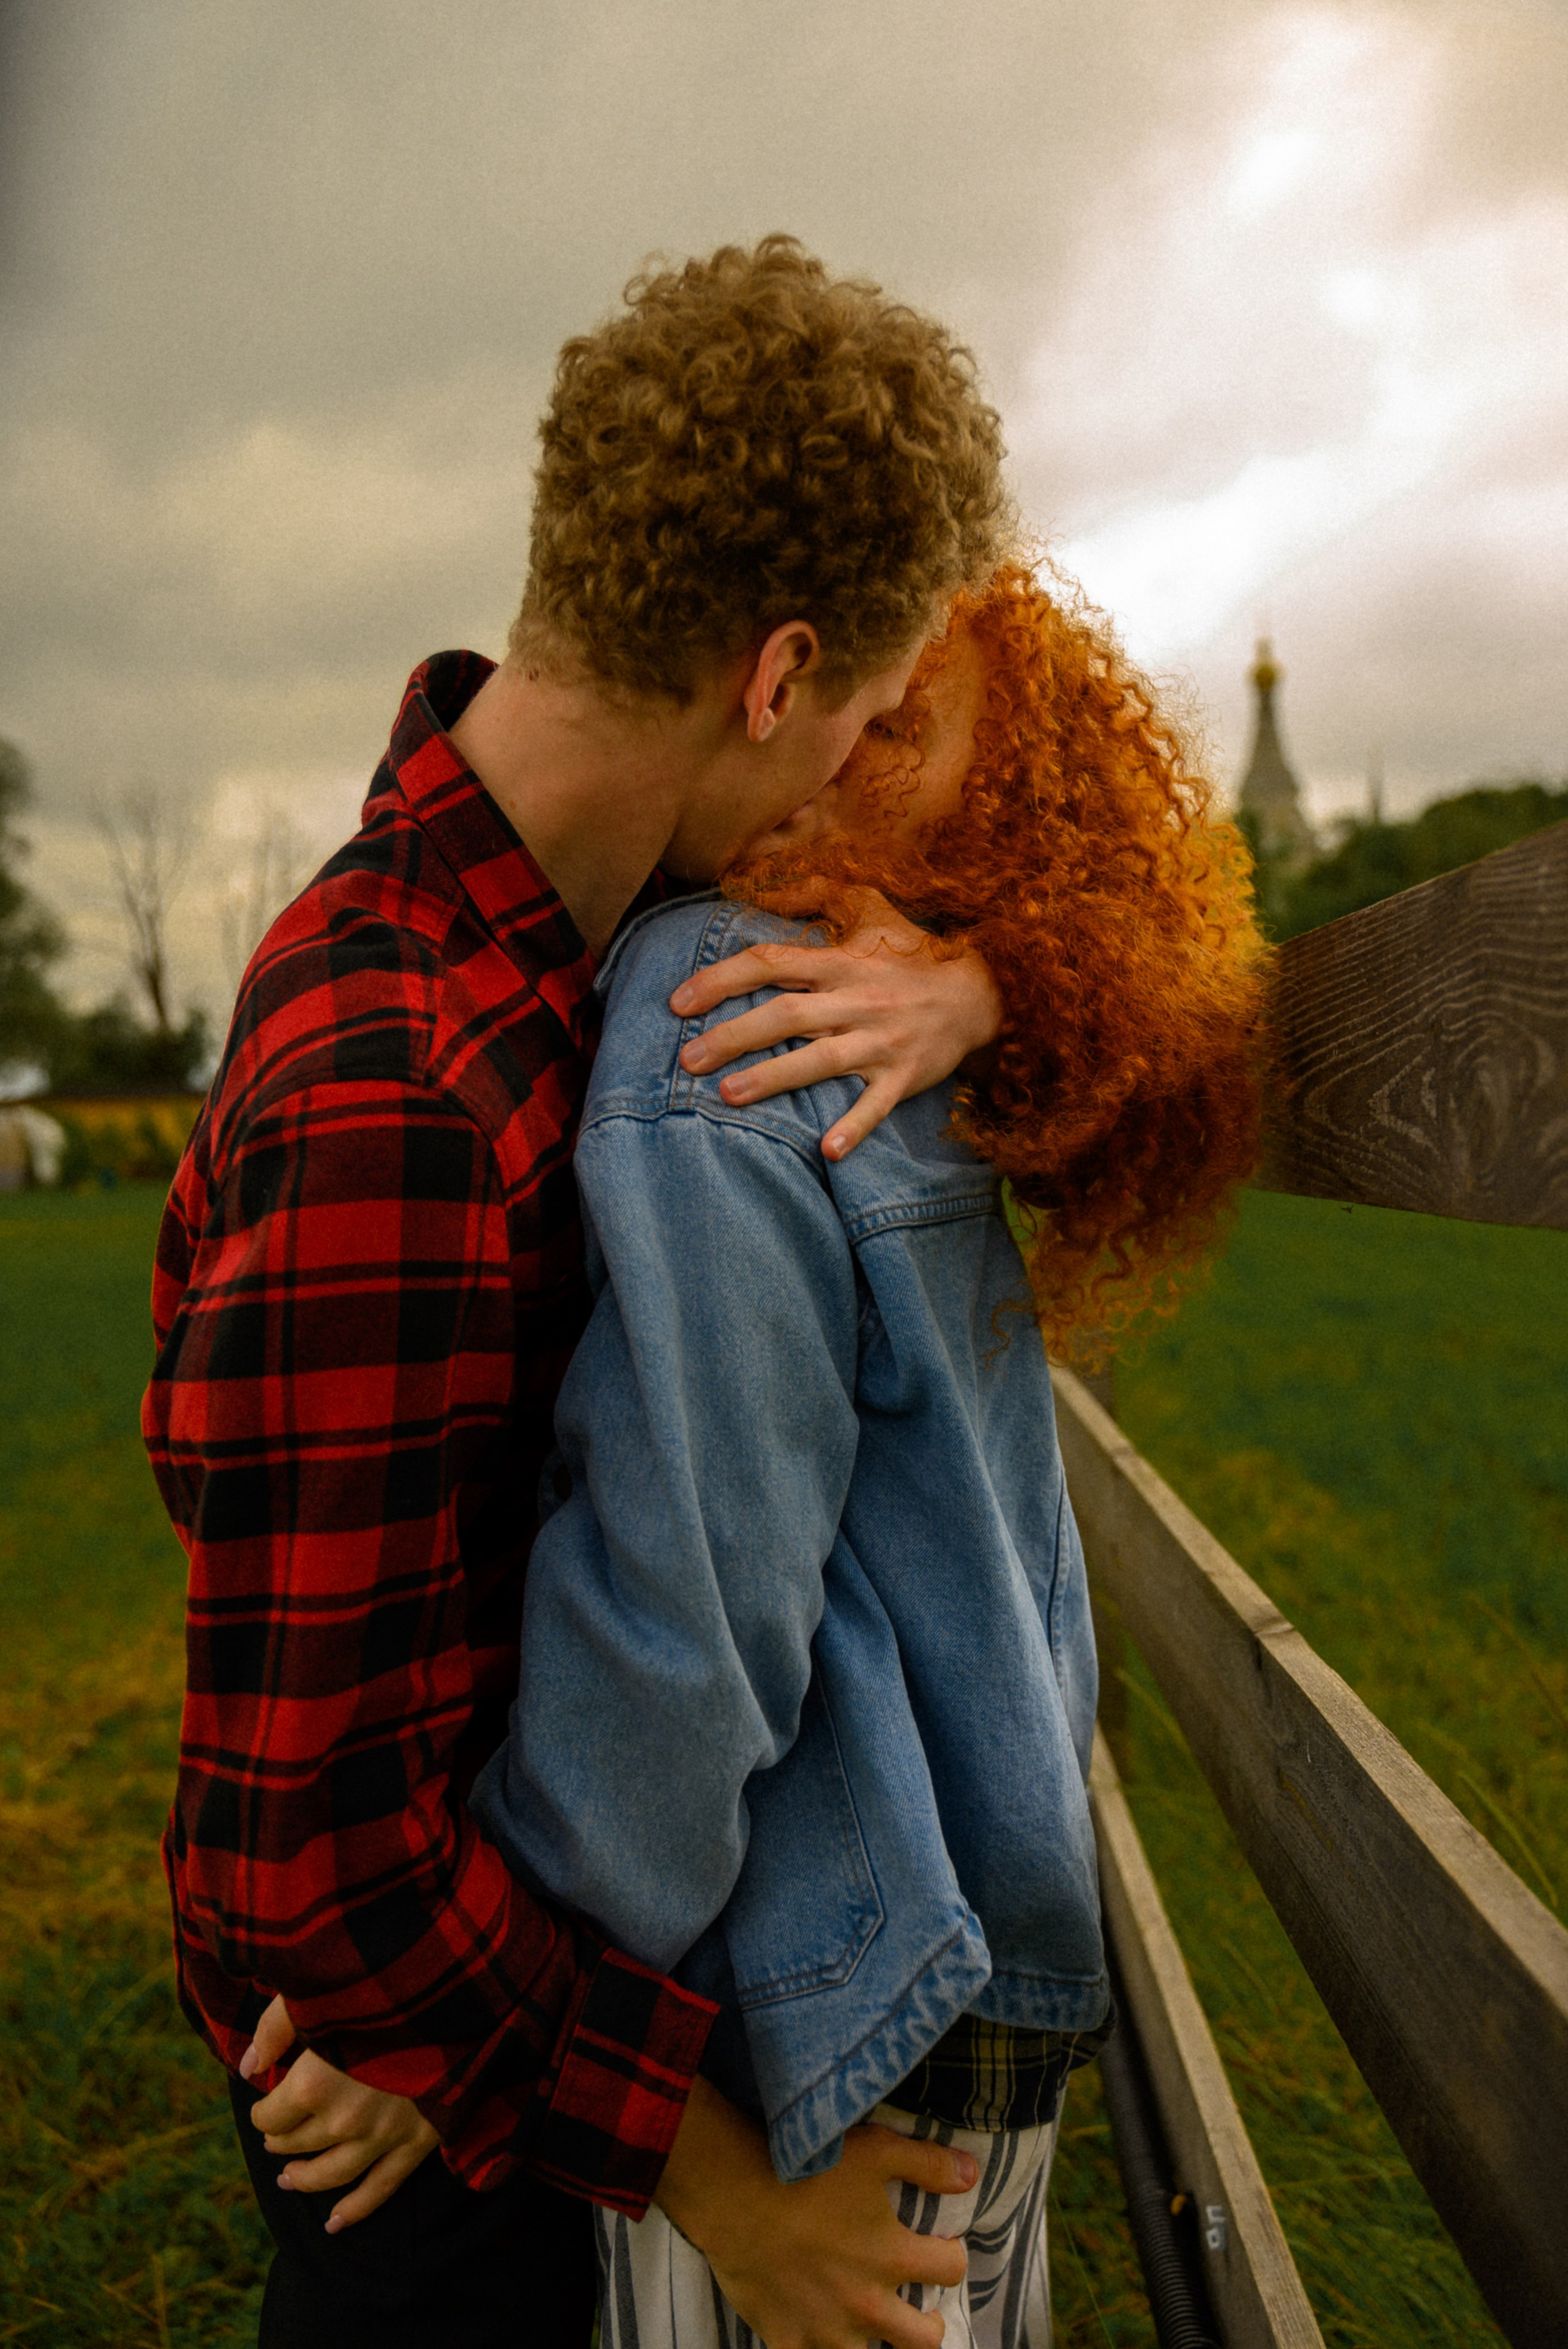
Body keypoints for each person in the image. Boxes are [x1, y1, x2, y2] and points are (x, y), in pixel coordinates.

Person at [142, 236, 1022, 2349]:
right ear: (777, 675)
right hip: (431, 2115)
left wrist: (983, 981)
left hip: (483, 2032)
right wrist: (726, 2184)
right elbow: (311, 1865)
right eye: (868, 716)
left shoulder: (567, 943)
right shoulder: (393, 1086)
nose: (861, 777)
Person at [463, 564, 1270, 2345]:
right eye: (834, 692)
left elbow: (691, 1606)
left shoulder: (732, 993)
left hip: (805, 2001)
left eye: (903, 724)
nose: (833, 744)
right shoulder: (862, 995)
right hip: (982, 1942)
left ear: (1008, 798)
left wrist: (481, 2014)